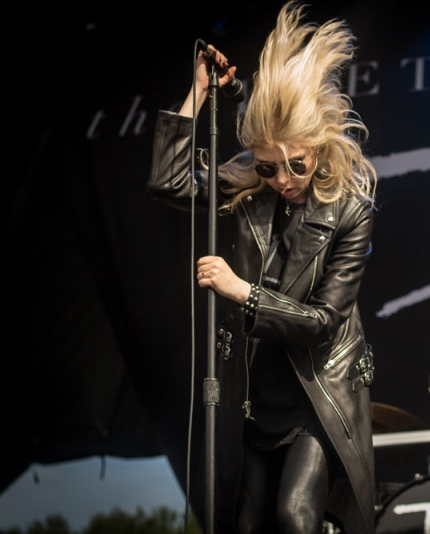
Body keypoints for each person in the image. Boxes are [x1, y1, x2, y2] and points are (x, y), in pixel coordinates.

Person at [147, 3, 378, 533]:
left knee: (295, 516)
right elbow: (168, 182)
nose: (284, 179)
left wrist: (242, 291)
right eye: (270, 167)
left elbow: (323, 321)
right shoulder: (250, 191)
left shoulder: (350, 211)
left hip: (318, 391)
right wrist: (198, 93)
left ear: (319, 148)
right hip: (256, 390)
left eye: (297, 164)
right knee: (247, 524)